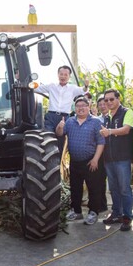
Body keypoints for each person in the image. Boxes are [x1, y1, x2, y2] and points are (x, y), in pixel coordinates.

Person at [56, 96, 105, 225]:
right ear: (75, 108)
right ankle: (76, 211)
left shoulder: (95, 122)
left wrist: (95, 159)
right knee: (75, 187)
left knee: (93, 187)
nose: (81, 108)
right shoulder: (70, 121)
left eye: (83, 105)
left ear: (88, 107)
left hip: (91, 161)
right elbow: (60, 134)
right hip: (75, 161)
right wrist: (60, 127)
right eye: (78, 106)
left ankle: (93, 212)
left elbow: (101, 142)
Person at [100, 88, 133, 231]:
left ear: (118, 99)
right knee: (113, 189)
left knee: (125, 189)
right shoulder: (107, 117)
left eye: (111, 99)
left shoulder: (127, 112)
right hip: (109, 159)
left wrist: (109, 132)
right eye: (106, 100)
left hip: (122, 158)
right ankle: (116, 213)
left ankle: (127, 217)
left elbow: (126, 129)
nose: (108, 102)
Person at [34, 65, 89, 151]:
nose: (63, 76)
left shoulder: (72, 88)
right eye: (61, 74)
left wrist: (86, 85)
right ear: (58, 75)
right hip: (51, 116)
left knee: (61, 142)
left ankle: (59, 162)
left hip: (64, 118)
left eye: (65, 75)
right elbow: (36, 89)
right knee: (48, 139)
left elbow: (83, 90)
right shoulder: (52, 86)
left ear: (69, 76)